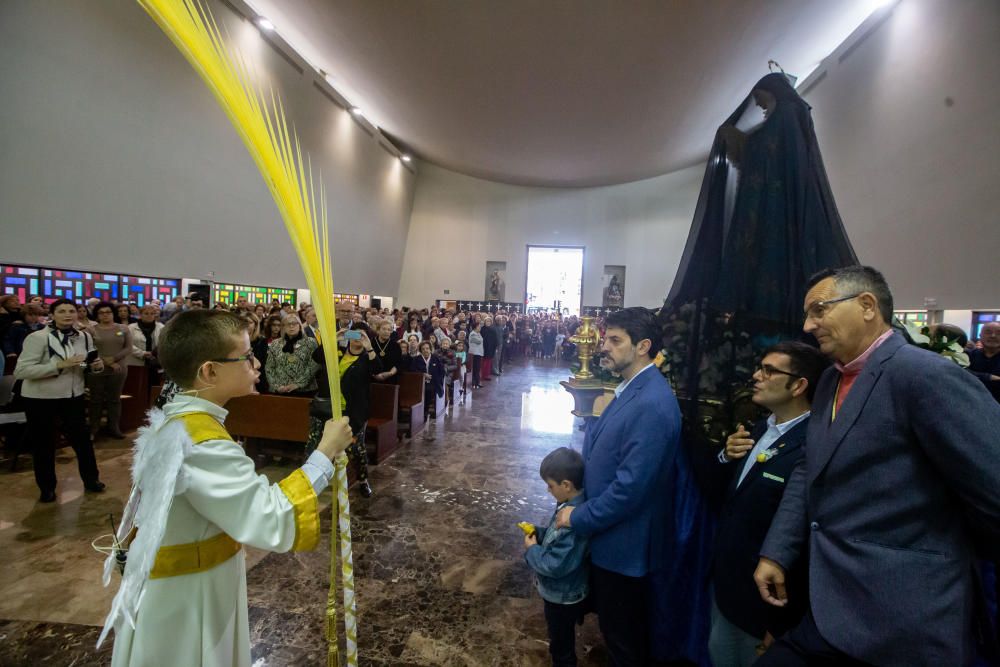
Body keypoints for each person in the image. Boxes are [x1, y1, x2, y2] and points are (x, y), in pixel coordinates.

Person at [754, 266, 1000, 666]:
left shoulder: (925, 375)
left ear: (867, 305)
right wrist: (778, 550)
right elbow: (809, 468)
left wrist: (941, 553)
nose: (808, 324)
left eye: (819, 310)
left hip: (904, 620)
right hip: (829, 605)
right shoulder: (832, 381)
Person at [98, 309, 353, 665]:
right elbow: (268, 516)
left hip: (188, 580)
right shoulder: (203, 444)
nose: (256, 363)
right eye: (246, 356)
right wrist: (325, 453)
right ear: (209, 371)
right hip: (188, 595)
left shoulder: (181, 420)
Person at [555, 307, 681, 665]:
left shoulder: (653, 403)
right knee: (615, 633)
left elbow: (630, 490)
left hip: (627, 546)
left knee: (625, 641)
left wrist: (577, 517)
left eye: (614, 340)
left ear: (643, 346)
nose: (602, 347)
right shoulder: (631, 388)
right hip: (613, 539)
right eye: (605, 338)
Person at [706, 342, 827, 667]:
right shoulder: (762, 427)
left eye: (769, 370)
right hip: (730, 586)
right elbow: (732, 497)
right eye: (760, 367)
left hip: (763, 604)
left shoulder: (811, 445)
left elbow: (800, 533)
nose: (756, 376)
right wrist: (724, 456)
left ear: (799, 385)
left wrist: (780, 621)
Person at [13, 299, 105, 502]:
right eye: (61, 311)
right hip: (41, 397)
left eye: (71, 310)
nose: (68, 314)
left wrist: (94, 366)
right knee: (44, 444)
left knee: (82, 442)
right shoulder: (37, 337)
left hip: (73, 396)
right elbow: (21, 371)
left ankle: (91, 480)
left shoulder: (83, 336)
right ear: (52, 314)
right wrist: (59, 365)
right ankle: (47, 488)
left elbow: (80, 366)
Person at [523, 447, 590, 667]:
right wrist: (540, 533)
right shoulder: (569, 506)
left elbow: (555, 564)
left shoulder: (573, 520)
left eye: (550, 485)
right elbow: (555, 538)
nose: (548, 489)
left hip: (562, 596)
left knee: (562, 645)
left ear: (566, 485)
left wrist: (532, 549)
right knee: (558, 637)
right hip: (562, 593)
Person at [88, 301, 134, 438]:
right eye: (101, 313)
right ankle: (94, 428)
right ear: (97, 315)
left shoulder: (123, 329)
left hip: (118, 368)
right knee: (96, 399)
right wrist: (105, 361)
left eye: (108, 312)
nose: (105, 315)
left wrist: (113, 359)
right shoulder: (91, 330)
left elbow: (128, 348)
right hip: (96, 368)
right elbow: (89, 350)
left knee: (114, 399)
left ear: (113, 313)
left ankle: (114, 427)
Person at [265, 317, 319, 395]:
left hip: (305, 390)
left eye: (294, 323)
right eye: (288, 324)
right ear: (283, 327)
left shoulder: (310, 342)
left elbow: (314, 365)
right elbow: (269, 367)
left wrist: (298, 384)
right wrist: (276, 386)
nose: (291, 326)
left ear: (300, 325)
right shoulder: (275, 343)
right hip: (280, 390)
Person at [969, 321, 1000, 403]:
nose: (993, 336)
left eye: (998, 333)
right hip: (971, 403)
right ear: (980, 336)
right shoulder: (969, 355)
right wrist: (987, 377)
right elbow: (960, 372)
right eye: (988, 332)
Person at [412, 340, 444, 420]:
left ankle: (425, 411)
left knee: (429, 390)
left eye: (427, 348)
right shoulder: (416, 359)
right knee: (424, 390)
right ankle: (421, 412)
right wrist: (423, 375)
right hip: (419, 383)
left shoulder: (435, 358)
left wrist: (435, 378)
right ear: (420, 350)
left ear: (430, 349)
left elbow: (441, 372)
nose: (425, 350)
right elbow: (412, 371)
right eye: (423, 349)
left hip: (433, 383)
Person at [468, 322, 484, 389]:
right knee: (475, 369)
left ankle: (477, 382)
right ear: (475, 327)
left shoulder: (478, 333)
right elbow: (479, 341)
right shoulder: (473, 334)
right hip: (474, 353)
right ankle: (474, 383)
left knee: (477, 369)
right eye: (479, 326)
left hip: (478, 353)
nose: (480, 328)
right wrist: (481, 338)